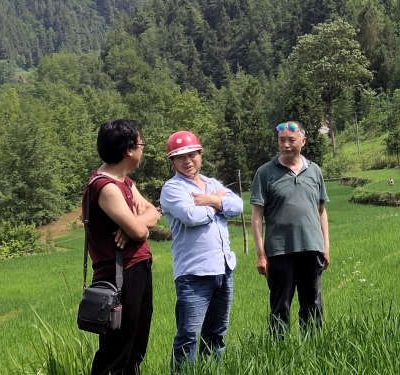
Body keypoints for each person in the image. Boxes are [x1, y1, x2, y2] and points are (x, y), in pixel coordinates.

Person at [159, 131, 244, 371]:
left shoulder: (212, 184)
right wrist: (217, 204)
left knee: (216, 334)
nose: (187, 161)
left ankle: (213, 370)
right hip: (194, 273)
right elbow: (191, 216)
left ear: (200, 154)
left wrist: (211, 200)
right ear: (173, 161)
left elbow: (238, 206)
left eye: (192, 154)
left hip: (224, 269)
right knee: (188, 336)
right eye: (180, 157)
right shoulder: (172, 188)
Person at [82, 118, 161, 374]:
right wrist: (136, 227)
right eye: (141, 143)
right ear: (129, 149)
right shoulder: (105, 186)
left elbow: (153, 213)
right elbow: (140, 230)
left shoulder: (125, 181)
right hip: (120, 276)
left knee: (136, 347)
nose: (143, 149)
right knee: (117, 351)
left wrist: (135, 224)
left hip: (137, 269)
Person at [250, 121, 330, 340]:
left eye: (291, 140)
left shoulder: (314, 171)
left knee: (312, 304)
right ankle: (279, 352)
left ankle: (314, 348)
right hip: (279, 251)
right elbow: (257, 216)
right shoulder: (265, 173)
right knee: (280, 306)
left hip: (311, 247)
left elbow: (321, 210)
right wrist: (260, 254)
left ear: (303, 142)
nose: (285, 145)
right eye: (281, 140)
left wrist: (326, 247)